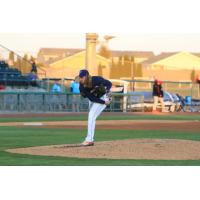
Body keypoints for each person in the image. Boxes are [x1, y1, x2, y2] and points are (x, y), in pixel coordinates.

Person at [78, 69, 112, 146]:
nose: (81, 79)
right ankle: (90, 139)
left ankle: (89, 139)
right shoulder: (81, 86)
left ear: (86, 76)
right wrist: (104, 102)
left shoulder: (96, 79)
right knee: (92, 117)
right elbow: (92, 98)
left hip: (104, 96)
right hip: (96, 99)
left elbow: (109, 83)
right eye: (80, 77)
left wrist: (107, 92)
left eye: (82, 77)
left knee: (91, 115)